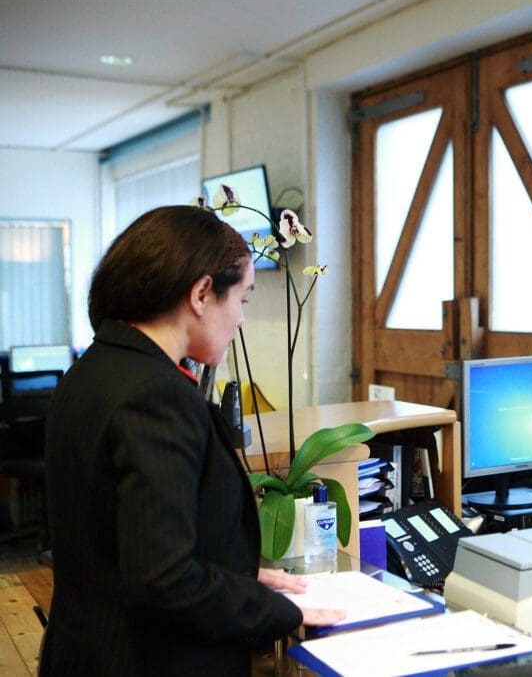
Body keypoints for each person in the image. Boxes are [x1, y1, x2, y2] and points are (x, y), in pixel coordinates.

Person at [41, 205, 344, 676]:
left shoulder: (93, 371)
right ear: (203, 292)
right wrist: (282, 613)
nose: (241, 320)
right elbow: (163, 578)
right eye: (243, 300)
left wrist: (236, 573)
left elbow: (123, 537)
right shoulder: (157, 395)